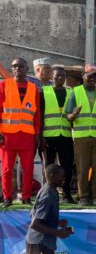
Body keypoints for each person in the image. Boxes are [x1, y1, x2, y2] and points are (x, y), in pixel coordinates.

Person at [65, 64, 96, 206]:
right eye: (90, 75)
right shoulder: (75, 92)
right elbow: (68, 116)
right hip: (81, 137)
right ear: (83, 76)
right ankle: (84, 197)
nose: (93, 78)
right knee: (82, 168)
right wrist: (73, 114)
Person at [26, 164, 73, 254]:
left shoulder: (48, 189)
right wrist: (58, 232)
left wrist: (56, 222)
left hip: (40, 242)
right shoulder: (48, 194)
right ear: (52, 176)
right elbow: (35, 224)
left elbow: (33, 214)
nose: (64, 179)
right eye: (61, 177)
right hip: (39, 243)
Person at [0, 58, 41, 207]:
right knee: (6, 170)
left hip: (27, 136)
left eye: (20, 66)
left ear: (26, 69)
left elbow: (36, 115)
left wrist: (37, 135)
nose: (17, 69)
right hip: (7, 136)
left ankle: (26, 197)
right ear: (12, 70)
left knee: (28, 169)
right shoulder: (4, 85)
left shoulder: (33, 89)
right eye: (14, 66)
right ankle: (7, 197)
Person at [41, 66, 75, 204]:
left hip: (66, 135)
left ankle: (66, 194)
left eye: (62, 76)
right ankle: (49, 194)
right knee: (49, 166)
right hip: (49, 135)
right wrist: (41, 135)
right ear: (51, 77)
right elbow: (41, 115)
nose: (60, 78)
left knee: (67, 166)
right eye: (57, 76)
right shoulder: (44, 91)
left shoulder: (70, 92)